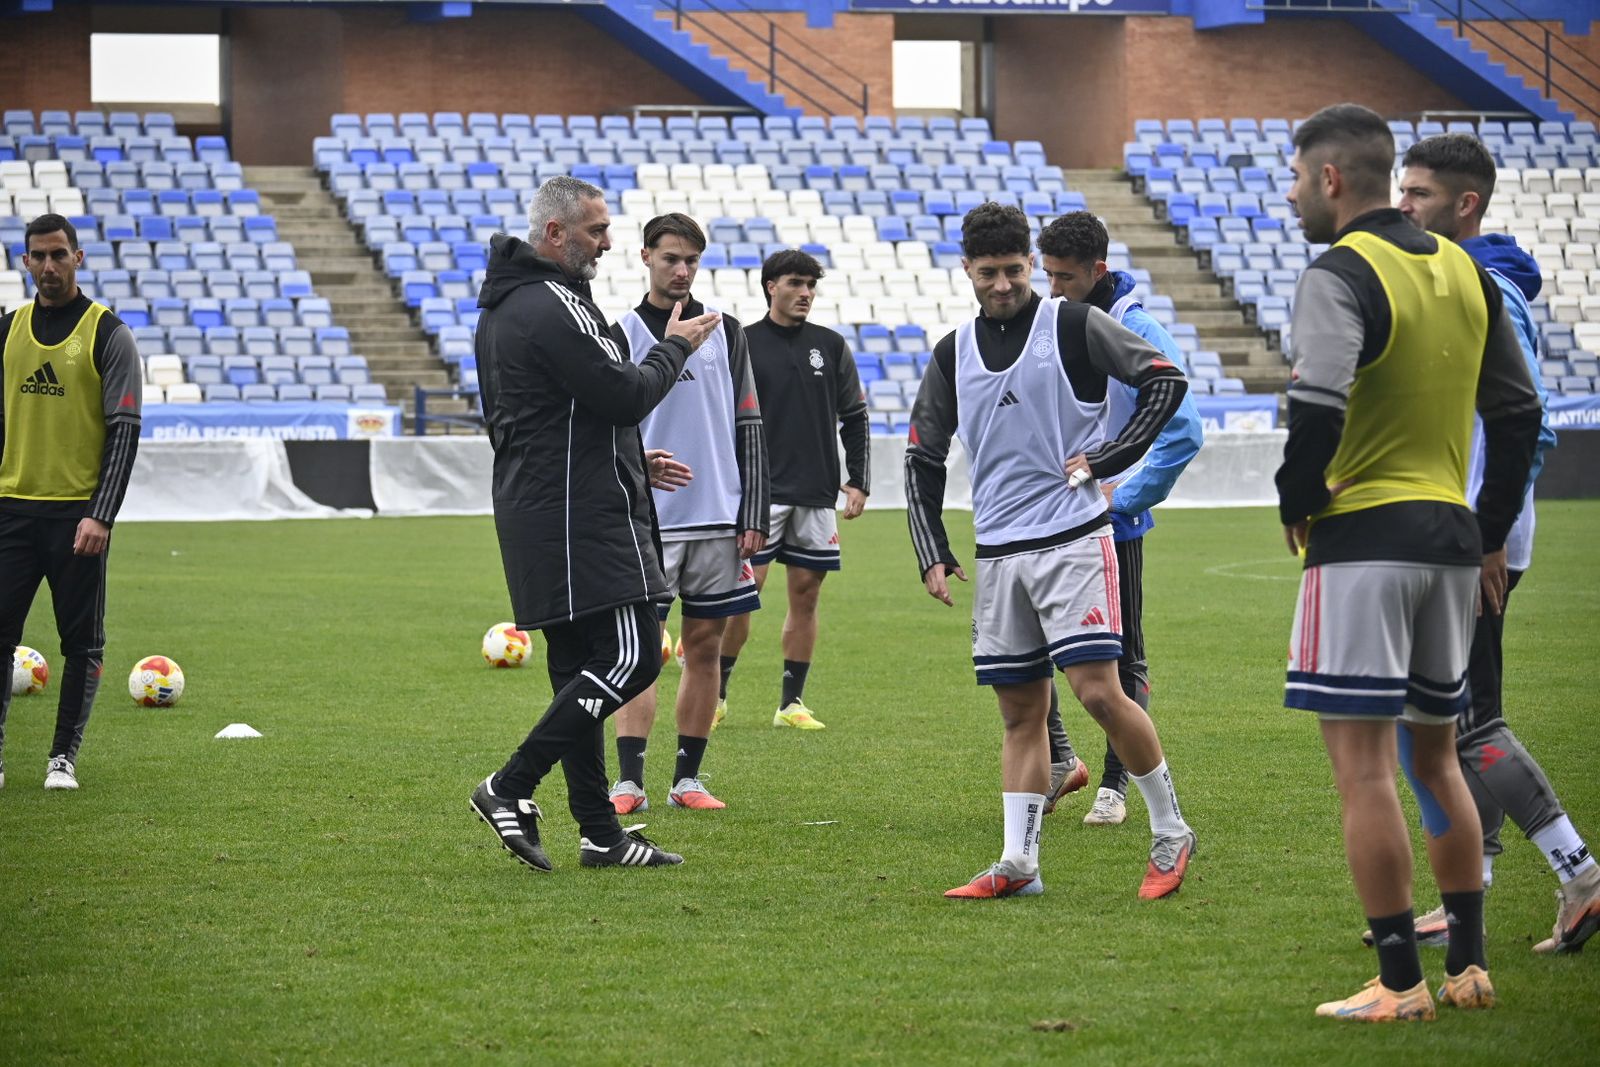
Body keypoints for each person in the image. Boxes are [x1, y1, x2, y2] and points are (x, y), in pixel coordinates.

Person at [1276, 104, 1542, 1020]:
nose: (1293, 191)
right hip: (1449, 543)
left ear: (1334, 179)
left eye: (1298, 175)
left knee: (1364, 771)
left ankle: (1399, 982)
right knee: (1438, 760)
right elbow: (1519, 415)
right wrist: (1489, 524)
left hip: (1363, 541)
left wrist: (1295, 499)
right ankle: (1468, 966)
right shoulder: (1467, 274)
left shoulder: (1338, 271)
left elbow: (1315, 402)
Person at [905, 202, 1197, 901]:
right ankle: (1018, 861)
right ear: (968, 271)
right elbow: (922, 454)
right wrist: (931, 547)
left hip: (1073, 538)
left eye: (1013, 270)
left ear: (1030, 265)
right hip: (999, 552)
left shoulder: (1073, 322)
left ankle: (1170, 828)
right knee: (1019, 713)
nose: (1002, 285)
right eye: (987, 273)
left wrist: (1109, 456)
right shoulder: (953, 351)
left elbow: (1166, 380)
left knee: (1099, 691)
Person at [469, 178, 722, 872]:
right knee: (634, 655)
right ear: (555, 234)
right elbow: (622, 393)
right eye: (596, 229)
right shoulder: (553, 303)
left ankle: (600, 835)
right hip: (579, 515)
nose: (608, 242)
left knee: (576, 673)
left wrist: (634, 457)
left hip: (538, 508)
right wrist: (675, 350)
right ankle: (508, 785)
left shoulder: (503, 309)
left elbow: (551, 416)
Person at [1392, 132, 1596, 955]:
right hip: (1456, 533)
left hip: (1473, 540)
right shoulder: (1452, 278)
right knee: (1440, 721)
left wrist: (1484, 535)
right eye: (1402, 192)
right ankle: (1466, 886)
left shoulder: (1485, 287)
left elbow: (1527, 422)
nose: (1403, 205)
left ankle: (1580, 873)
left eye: (1420, 194)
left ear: (1465, 204)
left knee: (1470, 722)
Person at [1036, 211, 1205, 822]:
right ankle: (1061, 757)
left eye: (1065, 278)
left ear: (1098, 271)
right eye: (1047, 275)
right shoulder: (1052, 322)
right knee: (1031, 646)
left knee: (1119, 653)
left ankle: (1114, 783)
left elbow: (1184, 430)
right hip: (1049, 518)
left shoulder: (1138, 329)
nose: (1053, 289)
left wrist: (1123, 495)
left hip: (1113, 524)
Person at [606, 214, 768, 814]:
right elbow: (606, 422)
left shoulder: (726, 331)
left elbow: (749, 419)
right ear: (645, 256)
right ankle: (628, 783)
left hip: (719, 519)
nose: (681, 270)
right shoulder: (619, 332)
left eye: (691, 261)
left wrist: (752, 507)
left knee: (704, 649)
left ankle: (688, 781)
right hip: (645, 521)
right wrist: (633, 465)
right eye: (670, 258)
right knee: (643, 652)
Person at [0, 214, 142, 793]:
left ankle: (63, 758)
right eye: (40, 256)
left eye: (60, 254)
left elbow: (125, 429)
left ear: (78, 259)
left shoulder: (109, 334)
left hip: (76, 518)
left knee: (81, 642)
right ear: (26, 262)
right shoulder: (7, 330)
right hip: (10, 509)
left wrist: (100, 513)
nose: (50, 266)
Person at [719, 249, 871, 731]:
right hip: (758, 495)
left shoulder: (829, 344)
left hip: (815, 491)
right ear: (771, 286)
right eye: (795, 283)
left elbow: (855, 415)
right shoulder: (741, 342)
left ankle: (791, 703)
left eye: (811, 285)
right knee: (745, 592)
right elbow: (720, 419)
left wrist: (859, 479)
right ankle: (716, 692)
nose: (805, 293)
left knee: (806, 595)